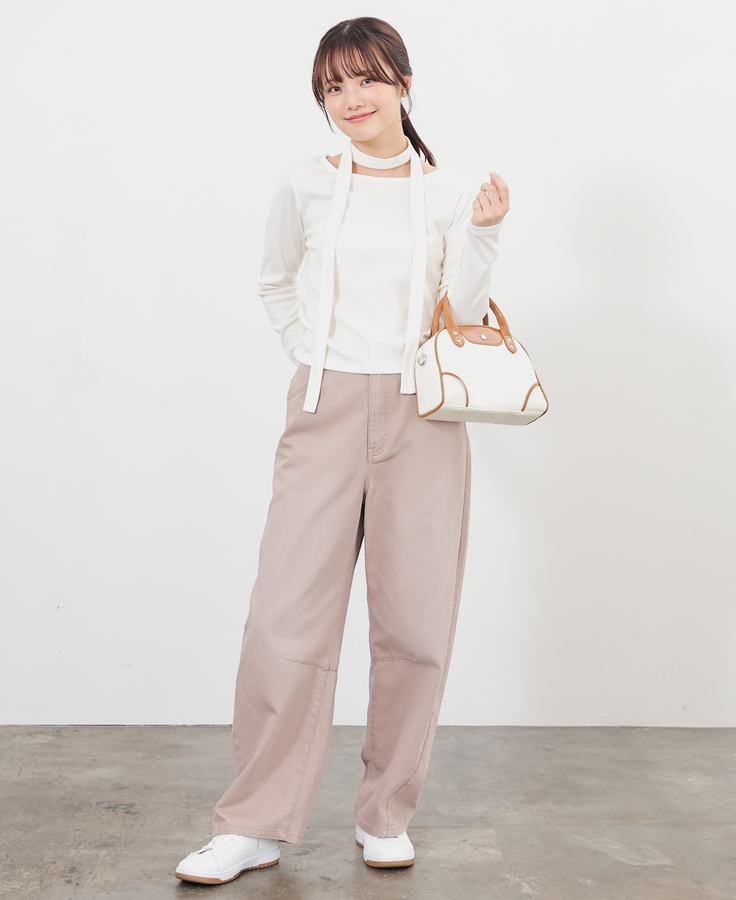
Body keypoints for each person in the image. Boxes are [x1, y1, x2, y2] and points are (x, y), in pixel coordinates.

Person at [175, 16, 509, 885]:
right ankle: (252, 824)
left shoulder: (450, 190)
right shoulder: (306, 183)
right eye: (333, 87)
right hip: (323, 410)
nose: (351, 99)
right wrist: (310, 355)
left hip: (422, 414)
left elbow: (467, 313)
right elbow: (274, 280)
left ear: (404, 83)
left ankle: (385, 814)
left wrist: (483, 233)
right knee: (282, 620)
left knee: (416, 625)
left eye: (367, 79)